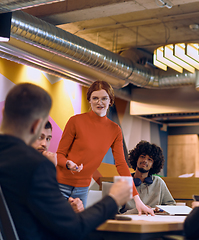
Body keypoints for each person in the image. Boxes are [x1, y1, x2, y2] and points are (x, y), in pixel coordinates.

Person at [0, 83, 132, 240]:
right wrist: (113, 199)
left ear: (3, 112)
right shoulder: (36, 166)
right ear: (37, 126)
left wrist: (62, 209)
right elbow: (74, 229)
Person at [56, 80, 154, 215]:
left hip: (82, 188)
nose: (99, 102)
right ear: (89, 100)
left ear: (110, 101)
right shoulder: (75, 121)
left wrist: (138, 200)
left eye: (104, 98)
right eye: (95, 98)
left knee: (75, 230)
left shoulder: (115, 130)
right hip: (60, 184)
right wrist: (68, 163)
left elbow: (121, 165)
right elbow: (59, 155)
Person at [120, 141, 176, 214]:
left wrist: (160, 210)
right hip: (129, 222)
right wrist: (138, 210)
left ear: (153, 164)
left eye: (150, 159)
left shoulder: (159, 182)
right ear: (136, 159)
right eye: (142, 157)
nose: (145, 161)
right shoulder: (123, 182)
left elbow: (172, 206)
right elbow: (115, 214)